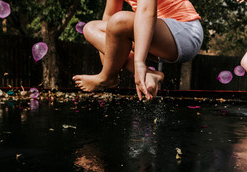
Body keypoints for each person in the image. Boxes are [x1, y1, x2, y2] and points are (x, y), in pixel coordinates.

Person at [73, 0, 203, 100]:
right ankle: (147, 75)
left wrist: (139, 61)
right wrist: (110, 67)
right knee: (91, 29)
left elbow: (146, 11)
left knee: (120, 20)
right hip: (155, 40)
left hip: (183, 33)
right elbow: (108, 18)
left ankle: (105, 78)